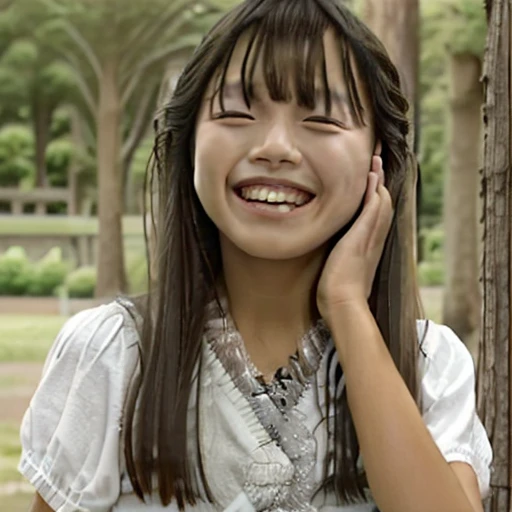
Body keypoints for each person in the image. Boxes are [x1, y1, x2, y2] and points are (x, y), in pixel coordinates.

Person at [20, 0, 492, 511]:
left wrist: (348, 306)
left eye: (321, 119)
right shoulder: (112, 355)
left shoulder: (427, 365)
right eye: (237, 113)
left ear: (379, 156)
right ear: (190, 141)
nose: (275, 147)